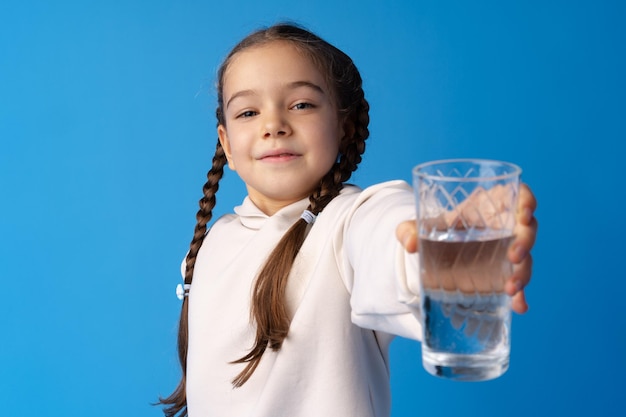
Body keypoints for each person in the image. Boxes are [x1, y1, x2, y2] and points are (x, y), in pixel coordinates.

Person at [159, 23, 538, 417]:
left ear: (343, 126)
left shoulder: (351, 219)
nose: (273, 125)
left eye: (301, 104)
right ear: (227, 145)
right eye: (248, 112)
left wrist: (444, 248)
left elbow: (389, 238)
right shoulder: (210, 244)